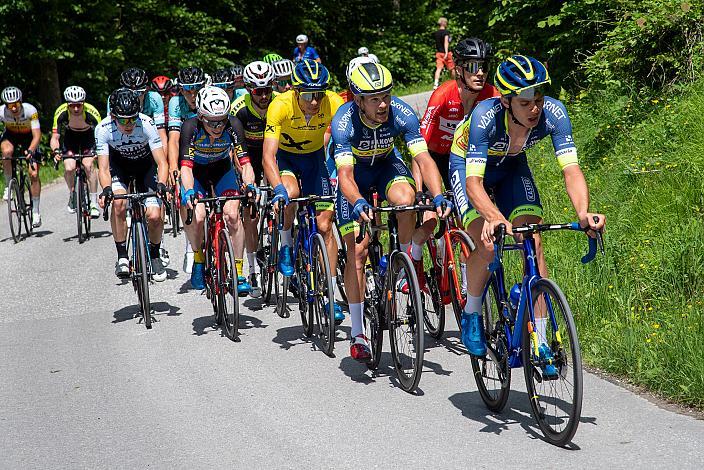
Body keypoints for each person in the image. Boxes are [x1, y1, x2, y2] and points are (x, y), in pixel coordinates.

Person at [448, 55, 605, 365]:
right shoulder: (484, 117)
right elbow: (473, 185)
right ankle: (471, 315)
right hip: (467, 165)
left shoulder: (554, 114)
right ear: (506, 101)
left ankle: (541, 340)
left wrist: (584, 213)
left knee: (532, 238)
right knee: (487, 242)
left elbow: (571, 170)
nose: (535, 108)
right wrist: (494, 217)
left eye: (538, 98)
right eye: (524, 102)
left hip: (511, 165)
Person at [332, 62, 451, 361]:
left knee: (407, 197)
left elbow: (423, 159)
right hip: (356, 176)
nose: (383, 103)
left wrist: (437, 196)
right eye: (374, 98)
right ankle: (358, 331)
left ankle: (405, 260)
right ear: (358, 100)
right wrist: (358, 201)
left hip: (386, 166)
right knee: (357, 253)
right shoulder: (344, 122)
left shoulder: (401, 113)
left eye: (386, 95)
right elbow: (345, 176)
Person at [262, 59, 343, 320]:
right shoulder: (280, 105)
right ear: (295, 91)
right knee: (291, 194)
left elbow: (347, 139)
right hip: (285, 158)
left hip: (314, 160)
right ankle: (286, 245)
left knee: (325, 225)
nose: (315, 101)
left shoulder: (333, 102)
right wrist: (277, 189)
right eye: (308, 94)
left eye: (319, 93)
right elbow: (268, 156)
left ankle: (331, 294)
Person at [179, 86, 254, 294]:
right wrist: (188, 191)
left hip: (222, 170)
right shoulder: (190, 127)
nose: (218, 126)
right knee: (199, 215)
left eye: (222, 119)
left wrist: (249, 185)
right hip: (197, 173)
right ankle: (198, 258)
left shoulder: (234, 124)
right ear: (201, 116)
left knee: (232, 216)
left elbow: (245, 163)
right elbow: (185, 167)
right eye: (212, 121)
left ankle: (238, 272)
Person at [96, 88, 169, 281]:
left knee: (154, 215)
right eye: (123, 120)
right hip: (119, 168)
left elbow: (162, 162)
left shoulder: (146, 124)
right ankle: (122, 255)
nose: (128, 124)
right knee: (119, 203)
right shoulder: (103, 129)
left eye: (132, 118)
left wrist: (162, 184)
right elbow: (103, 168)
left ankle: (154, 254)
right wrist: (106, 189)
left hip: (145, 168)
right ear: (113, 116)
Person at [419, 37, 498, 191]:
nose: (480, 73)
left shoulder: (494, 96)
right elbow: (419, 147)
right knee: (429, 209)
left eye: (485, 66)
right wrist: (419, 191)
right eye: (473, 66)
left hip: (468, 156)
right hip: (435, 155)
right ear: (459, 69)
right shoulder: (442, 95)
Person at [230, 60, 277, 296]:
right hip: (247, 155)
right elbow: (235, 148)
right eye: (259, 91)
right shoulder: (239, 108)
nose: (265, 95)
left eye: (269, 88)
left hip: (274, 155)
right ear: (249, 89)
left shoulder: (280, 102)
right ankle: (252, 269)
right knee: (250, 214)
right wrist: (248, 181)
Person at [168, 66, 206, 273]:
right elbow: (173, 139)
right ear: (180, 90)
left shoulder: (210, 97)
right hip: (188, 156)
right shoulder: (176, 103)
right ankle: (190, 245)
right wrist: (173, 167)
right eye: (187, 90)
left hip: (211, 154)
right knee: (186, 200)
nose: (192, 95)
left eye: (196, 90)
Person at [50, 86, 102, 217]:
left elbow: (101, 134)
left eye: (79, 105)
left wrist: (99, 152)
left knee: (88, 165)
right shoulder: (61, 112)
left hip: (88, 137)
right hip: (70, 138)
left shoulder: (92, 112)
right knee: (69, 168)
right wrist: (56, 150)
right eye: (72, 106)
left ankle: (94, 202)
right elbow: (55, 137)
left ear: (83, 103)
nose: (76, 109)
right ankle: (73, 194)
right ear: (68, 104)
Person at [0, 86, 42, 226]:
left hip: (29, 137)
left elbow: (37, 135)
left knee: (34, 174)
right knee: (6, 152)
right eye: (10, 105)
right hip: (11, 136)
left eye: (16, 104)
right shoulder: (1, 112)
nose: (13, 108)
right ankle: (8, 186)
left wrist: (30, 150)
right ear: (5, 105)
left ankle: (35, 211)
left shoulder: (30, 110)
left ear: (21, 102)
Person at [109, 68, 168, 149]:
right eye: (129, 93)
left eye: (139, 92)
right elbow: (111, 133)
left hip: (148, 140)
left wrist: (164, 160)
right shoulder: (114, 99)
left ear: (146, 90)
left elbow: (161, 134)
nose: (135, 97)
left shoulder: (155, 98)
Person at [433, 17, 455, 89]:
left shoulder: (436, 33)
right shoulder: (446, 32)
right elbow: (446, 42)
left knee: (438, 68)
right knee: (451, 68)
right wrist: (446, 52)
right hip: (446, 53)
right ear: (444, 23)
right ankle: (454, 82)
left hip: (439, 53)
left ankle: (435, 84)